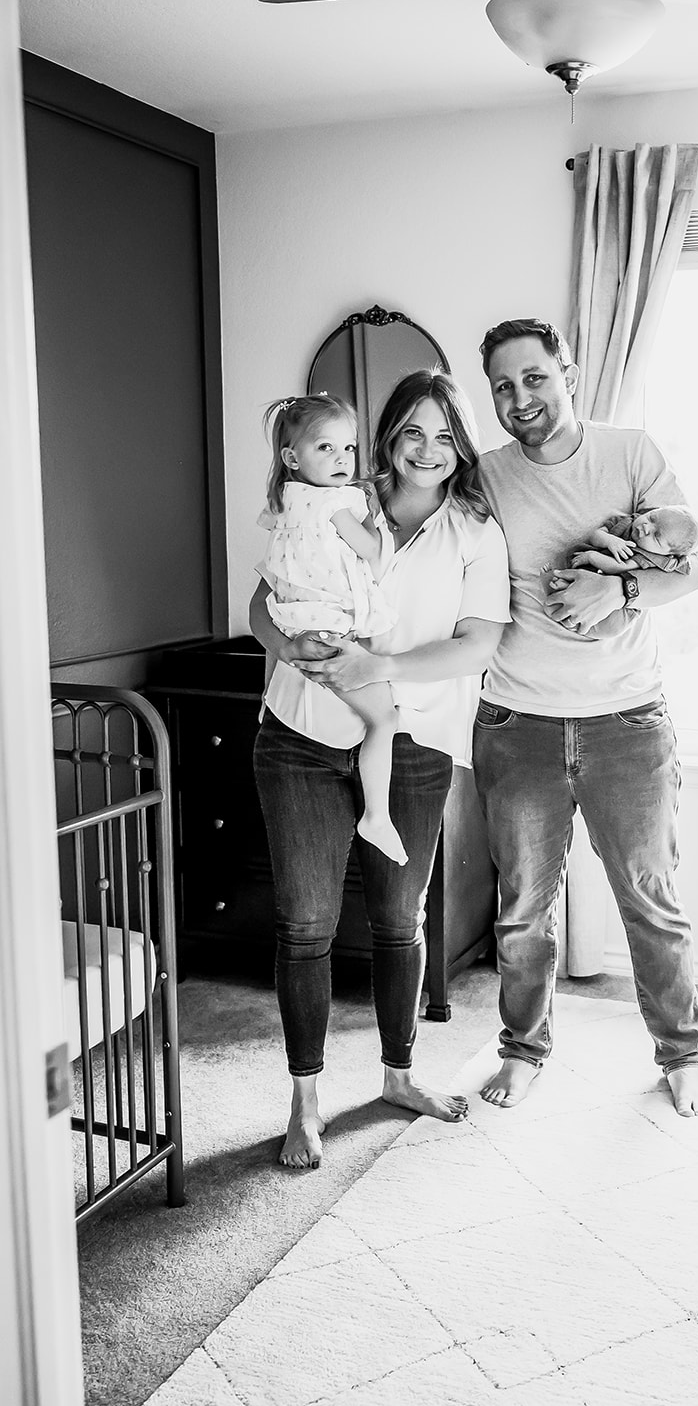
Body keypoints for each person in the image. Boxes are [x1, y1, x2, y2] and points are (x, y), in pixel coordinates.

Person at [249, 371, 510, 1168]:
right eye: (412, 432)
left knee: (400, 919)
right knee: (305, 925)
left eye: (445, 436)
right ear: (388, 437)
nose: (427, 450)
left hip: (414, 742)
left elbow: (477, 645)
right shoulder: (333, 495)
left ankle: (398, 1076)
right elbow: (265, 598)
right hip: (299, 732)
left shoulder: (475, 531)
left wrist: (379, 663)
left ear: (461, 446)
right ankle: (304, 1102)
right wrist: (285, 642)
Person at [472, 318, 698, 1118]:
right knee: (521, 912)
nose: (520, 398)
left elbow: (694, 569)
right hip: (517, 724)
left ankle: (683, 1056)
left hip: (628, 723)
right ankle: (522, 1051)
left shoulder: (631, 453)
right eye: (503, 386)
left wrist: (621, 588)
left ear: (568, 374)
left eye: (534, 377)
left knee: (651, 900)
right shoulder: (487, 475)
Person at [258, 393, 406, 865]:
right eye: (326, 448)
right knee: (383, 720)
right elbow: (373, 554)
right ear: (291, 457)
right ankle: (376, 816)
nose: (342, 459)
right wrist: (378, 522)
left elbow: (268, 585)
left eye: (348, 448)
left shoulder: (285, 501)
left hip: (301, 627)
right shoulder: (337, 502)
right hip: (331, 635)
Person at [546, 503, 698, 638]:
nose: (646, 527)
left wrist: (592, 557)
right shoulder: (627, 522)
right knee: (574, 569)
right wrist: (609, 540)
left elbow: (620, 567)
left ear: (668, 554)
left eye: (656, 536)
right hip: (594, 575)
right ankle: (563, 587)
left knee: (613, 626)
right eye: (652, 518)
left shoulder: (649, 557)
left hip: (620, 604)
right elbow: (596, 535)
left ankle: (576, 622)